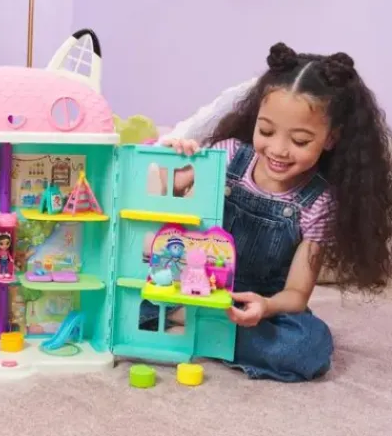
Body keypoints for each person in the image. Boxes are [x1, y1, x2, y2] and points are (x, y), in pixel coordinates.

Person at [153, 42, 392, 382]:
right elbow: (165, 190)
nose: (278, 150)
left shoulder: (319, 202)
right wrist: (173, 155)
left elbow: (296, 295)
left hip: (258, 305)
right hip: (195, 284)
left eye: (300, 141)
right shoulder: (228, 155)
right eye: (266, 131)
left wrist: (266, 307)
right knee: (138, 293)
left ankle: (200, 328)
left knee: (308, 347)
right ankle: (206, 327)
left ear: (331, 139)